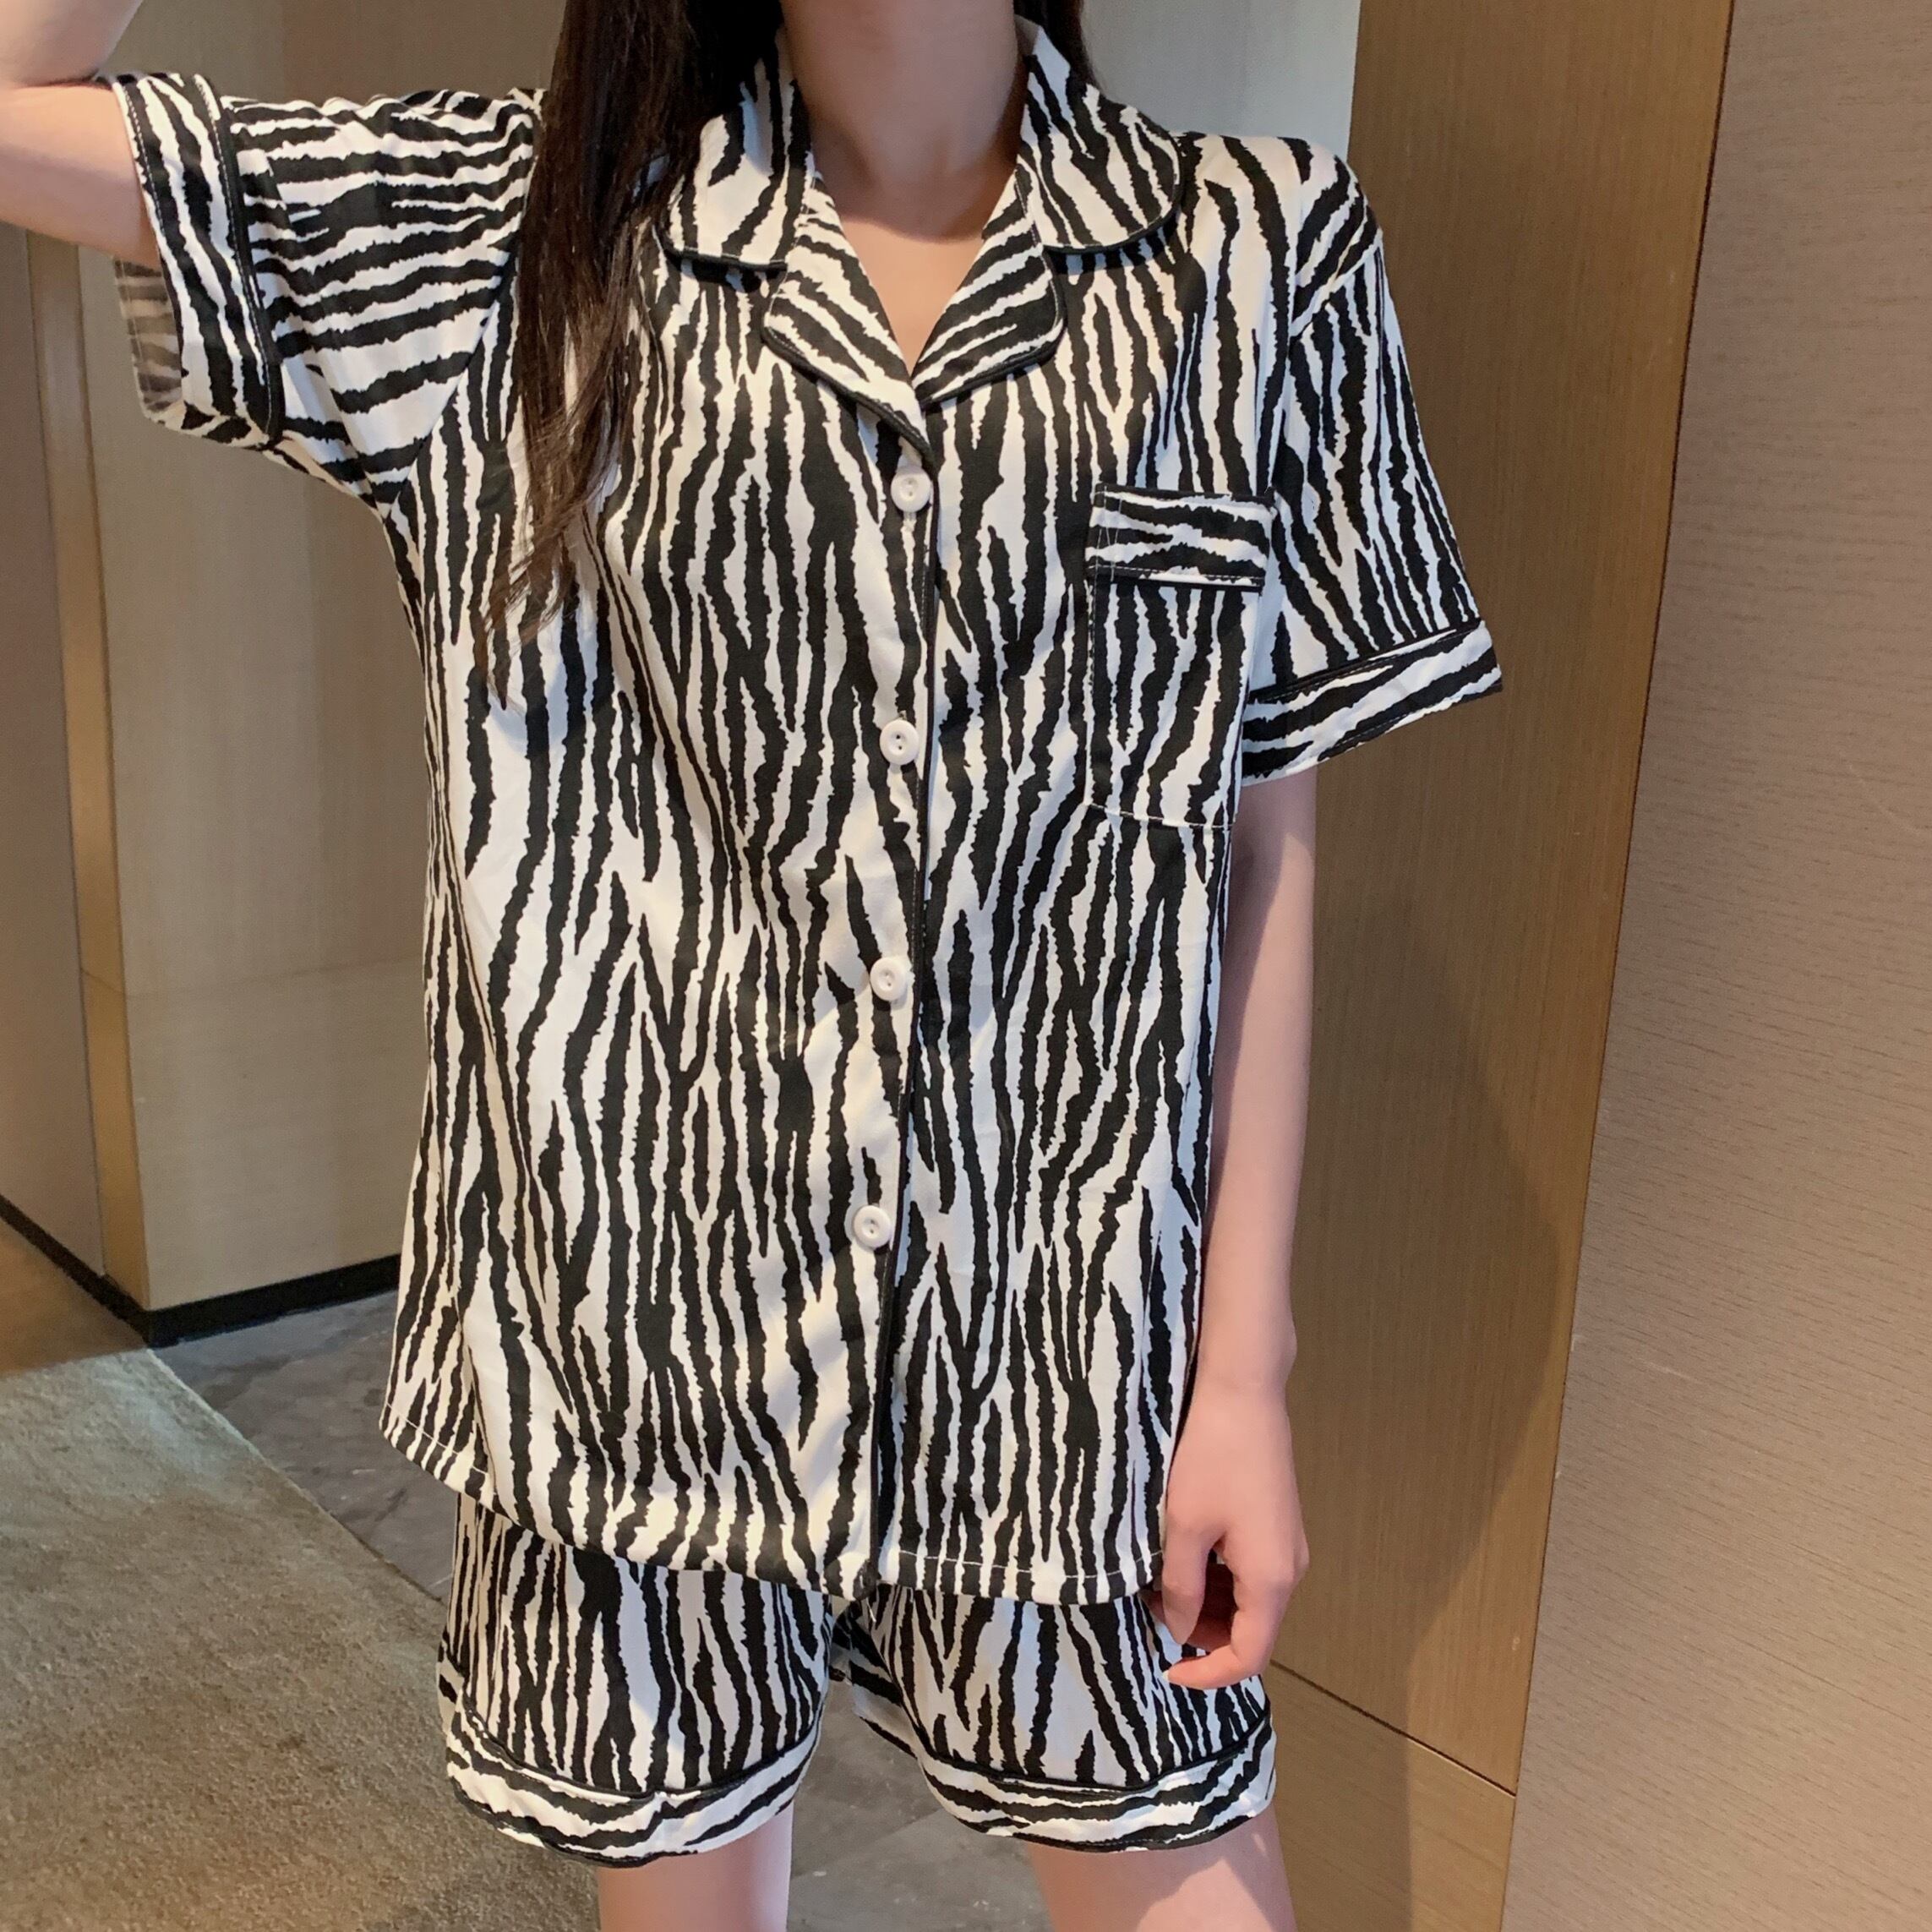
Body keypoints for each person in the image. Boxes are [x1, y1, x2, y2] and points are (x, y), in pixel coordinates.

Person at [0, 1, 1503, 1926]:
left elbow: (1258, 854)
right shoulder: (516, 240)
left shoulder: (1255, 250)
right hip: (638, 1347)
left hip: (1065, 1350)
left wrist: (1241, 1377)